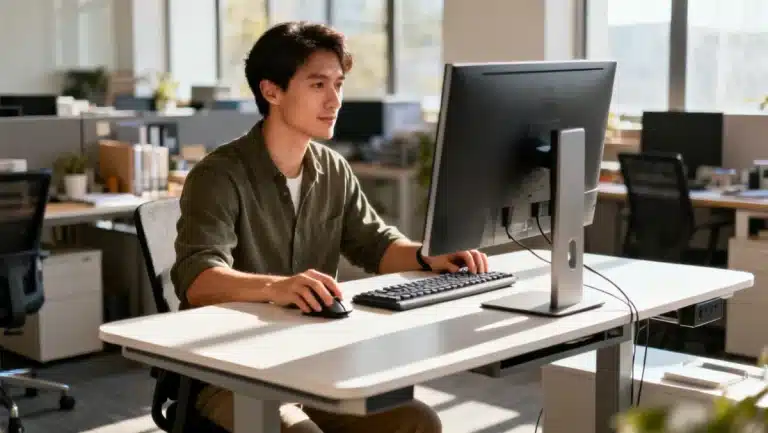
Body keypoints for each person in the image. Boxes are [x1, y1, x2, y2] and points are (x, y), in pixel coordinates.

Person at [171, 21, 489, 433]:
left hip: (310, 364)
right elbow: (197, 278)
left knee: (417, 422)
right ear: (272, 91)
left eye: (339, 84)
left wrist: (426, 255)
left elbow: (374, 245)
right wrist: (277, 288)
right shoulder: (219, 175)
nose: (335, 100)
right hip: (231, 373)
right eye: (318, 85)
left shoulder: (332, 169)